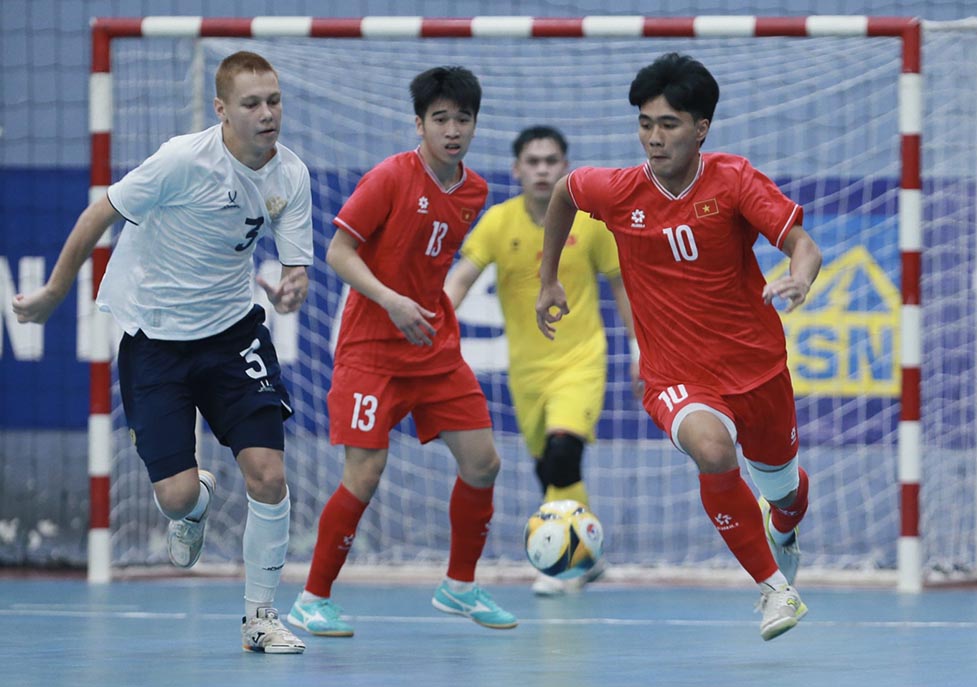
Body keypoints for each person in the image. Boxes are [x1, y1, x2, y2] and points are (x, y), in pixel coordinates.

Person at [13, 51, 311, 654]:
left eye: (274, 100)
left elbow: (294, 263)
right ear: (222, 110)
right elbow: (100, 212)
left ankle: (261, 617)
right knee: (176, 495)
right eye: (252, 103)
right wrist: (52, 293)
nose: (267, 113)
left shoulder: (290, 174)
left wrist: (291, 288)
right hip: (156, 342)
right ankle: (191, 505)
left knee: (269, 475)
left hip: (233, 336)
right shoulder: (181, 160)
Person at [535, 52, 821, 641]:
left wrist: (800, 275)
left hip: (759, 368)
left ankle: (784, 530)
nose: (654, 137)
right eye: (645, 123)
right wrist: (549, 278)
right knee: (713, 451)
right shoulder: (616, 190)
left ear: (701, 128)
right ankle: (774, 591)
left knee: (786, 494)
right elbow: (565, 192)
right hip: (675, 375)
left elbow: (802, 244)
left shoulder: (735, 179)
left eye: (668, 124)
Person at [286, 66, 517, 638]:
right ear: (419, 124)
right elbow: (339, 252)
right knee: (365, 473)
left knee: (484, 462)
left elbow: (433, 264)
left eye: (463, 119)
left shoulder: (476, 190)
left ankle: (458, 586)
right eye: (440, 119)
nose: (452, 129)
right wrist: (391, 300)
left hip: (435, 350)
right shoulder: (390, 177)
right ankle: (312, 598)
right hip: (372, 349)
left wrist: (425, 307)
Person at [444, 125, 639, 596]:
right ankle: (587, 556)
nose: (542, 169)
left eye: (551, 161)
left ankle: (563, 565)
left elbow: (624, 287)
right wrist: (429, 328)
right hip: (527, 373)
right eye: (532, 161)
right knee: (549, 469)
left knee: (562, 454)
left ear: (565, 166)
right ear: (517, 169)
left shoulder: (589, 223)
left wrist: (640, 350)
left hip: (582, 361)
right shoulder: (497, 223)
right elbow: (457, 284)